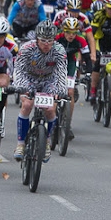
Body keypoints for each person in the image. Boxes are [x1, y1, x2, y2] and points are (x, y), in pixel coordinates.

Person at [12, 20, 67, 162]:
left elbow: (61, 72)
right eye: (43, 41)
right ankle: (20, 143)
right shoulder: (26, 48)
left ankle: (47, 141)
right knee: (27, 105)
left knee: (49, 109)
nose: (46, 44)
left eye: (50, 41)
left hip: (49, 79)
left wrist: (60, 90)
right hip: (28, 78)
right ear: (37, 39)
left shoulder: (59, 50)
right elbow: (18, 69)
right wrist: (20, 86)